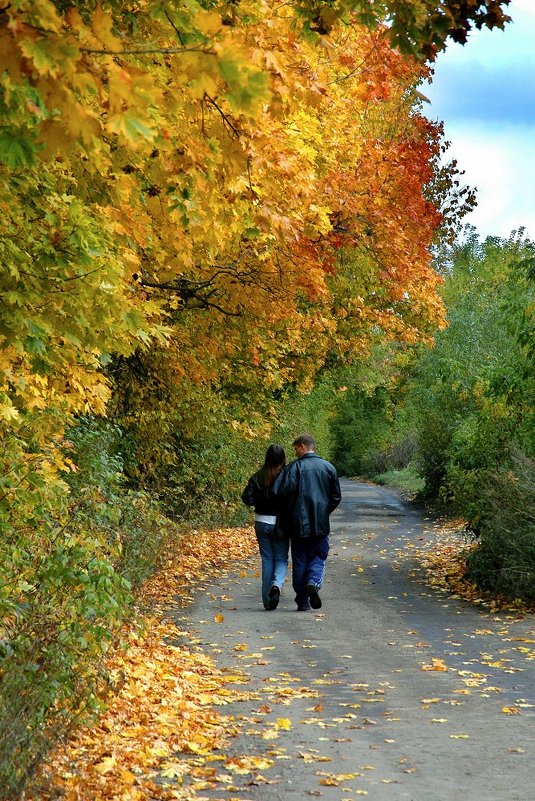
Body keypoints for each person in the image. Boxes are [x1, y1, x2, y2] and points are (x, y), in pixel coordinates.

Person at [274, 434, 341, 611]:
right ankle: (313, 582)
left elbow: (280, 493)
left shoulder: (293, 469)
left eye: (296, 448)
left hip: (298, 525)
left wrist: (290, 512)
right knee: (319, 555)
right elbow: (336, 497)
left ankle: (302, 600)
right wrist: (323, 512)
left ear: (303, 446)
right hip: (320, 524)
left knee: (300, 560)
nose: (295, 452)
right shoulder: (328, 468)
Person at [241, 444, 289, 610]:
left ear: (267, 458)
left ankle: (267, 601)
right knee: (281, 558)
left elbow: (247, 497)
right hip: (281, 522)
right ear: (283, 459)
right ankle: (277, 585)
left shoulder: (258, 476)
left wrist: (260, 500)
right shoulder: (286, 475)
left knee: (267, 559)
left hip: (261, 522)